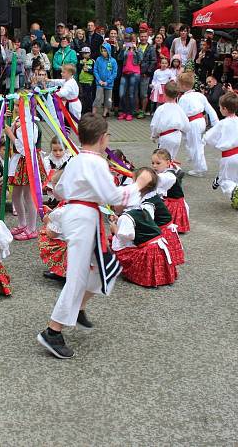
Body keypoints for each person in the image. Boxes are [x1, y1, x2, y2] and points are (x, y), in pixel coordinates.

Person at [36, 113, 153, 359]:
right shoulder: (95, 162)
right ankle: (53, 330)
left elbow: (58, 191)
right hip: (83, 218)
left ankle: (78, 308)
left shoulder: (77, 159)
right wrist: (139, 184)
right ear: (103, 138)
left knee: (103, 267)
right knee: (77, 275)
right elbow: (112, 197)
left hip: (78, 215)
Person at [112, 167, 178, 288]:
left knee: (117, 249)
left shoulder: (135, 211)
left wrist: (115, 229)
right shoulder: (139, 207)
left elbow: (126, 236)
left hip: (149, 250)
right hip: (159, 244)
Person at [204, 92, 238, 210]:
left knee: (226, 179)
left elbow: (208, 137)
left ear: (224, 109)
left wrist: (216, 143)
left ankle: (235, 192)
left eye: (220, 107)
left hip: (228, 155)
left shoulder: (223, 123)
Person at [4, 105, 43, 241]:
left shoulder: (31, 125)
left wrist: (10, 133)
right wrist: (7, 121)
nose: (15, 107)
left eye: (18, 105)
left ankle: (32, 228)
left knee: (28, 195)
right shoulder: (18, 120)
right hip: (19, 162)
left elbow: (25, 148)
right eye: (14, 104)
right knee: (15, 195)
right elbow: (9, 137)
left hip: (27, 162)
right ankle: (22, 223)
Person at [177, 71, 219, 177]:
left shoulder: (183, 99)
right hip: (200, 121)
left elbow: (181, 115)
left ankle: (200, 168)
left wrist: (178, 127)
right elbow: (210, 109)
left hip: (192, 123)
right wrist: (216, 123)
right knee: (192, 143)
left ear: (183, 85)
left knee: (196, 145)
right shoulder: (199, 95)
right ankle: (193, 158)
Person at [149, 150, 185, 263]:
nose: (154, 166)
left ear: (168, 162)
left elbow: (156, 182)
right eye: (153, 163)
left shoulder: (168, 176)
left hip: (174, 202)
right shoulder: (164, 174)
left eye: (158, 163)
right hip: (168, 199)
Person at [151, 81, 189, 160]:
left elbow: (154, 125)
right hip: (177, 136)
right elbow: (187, 126)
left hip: (165, 137)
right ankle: (172, 169)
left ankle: (167, 171)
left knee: (163, 159)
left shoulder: (161, 109)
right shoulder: (179, 109)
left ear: (164, 94)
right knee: (172, 157)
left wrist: (154, 135)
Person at [117, 37, 142, 120]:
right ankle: (124, 111)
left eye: (133, 41)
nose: (132, 43)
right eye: (130, 41)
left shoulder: (138, 49)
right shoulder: (126, 50)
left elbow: (140, 59)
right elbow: (119, 58)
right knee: (121, 94)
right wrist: (123, 49)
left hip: (134, 73)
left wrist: (136, 49)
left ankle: (129, 113)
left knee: (131, 94)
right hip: (125, 73)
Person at [93, 43, 118, 117]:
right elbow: (95, 70)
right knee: (98, 98)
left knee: (108, 99)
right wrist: (99, 80)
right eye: (102, 50)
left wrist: (107, 82)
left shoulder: (113, 61)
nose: (103, 52)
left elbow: (114, 73)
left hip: (109, 84)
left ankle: (104, 114)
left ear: (109, 51)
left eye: (105, 51)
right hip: (99, 83)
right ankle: (93, 114)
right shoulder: (98, 59)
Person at [77, 46, 95, 111]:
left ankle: (89, 109)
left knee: (88, 97)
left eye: (86, 53)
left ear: (89, 53)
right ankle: (83, 109)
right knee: (82, 96)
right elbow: (78, 69)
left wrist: (88, 70)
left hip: (89, 82)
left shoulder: (92, 61)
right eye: (83, 53)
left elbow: (94, 71)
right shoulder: (80, 61)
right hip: (81, 81)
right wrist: (82, 64)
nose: (84, 55)